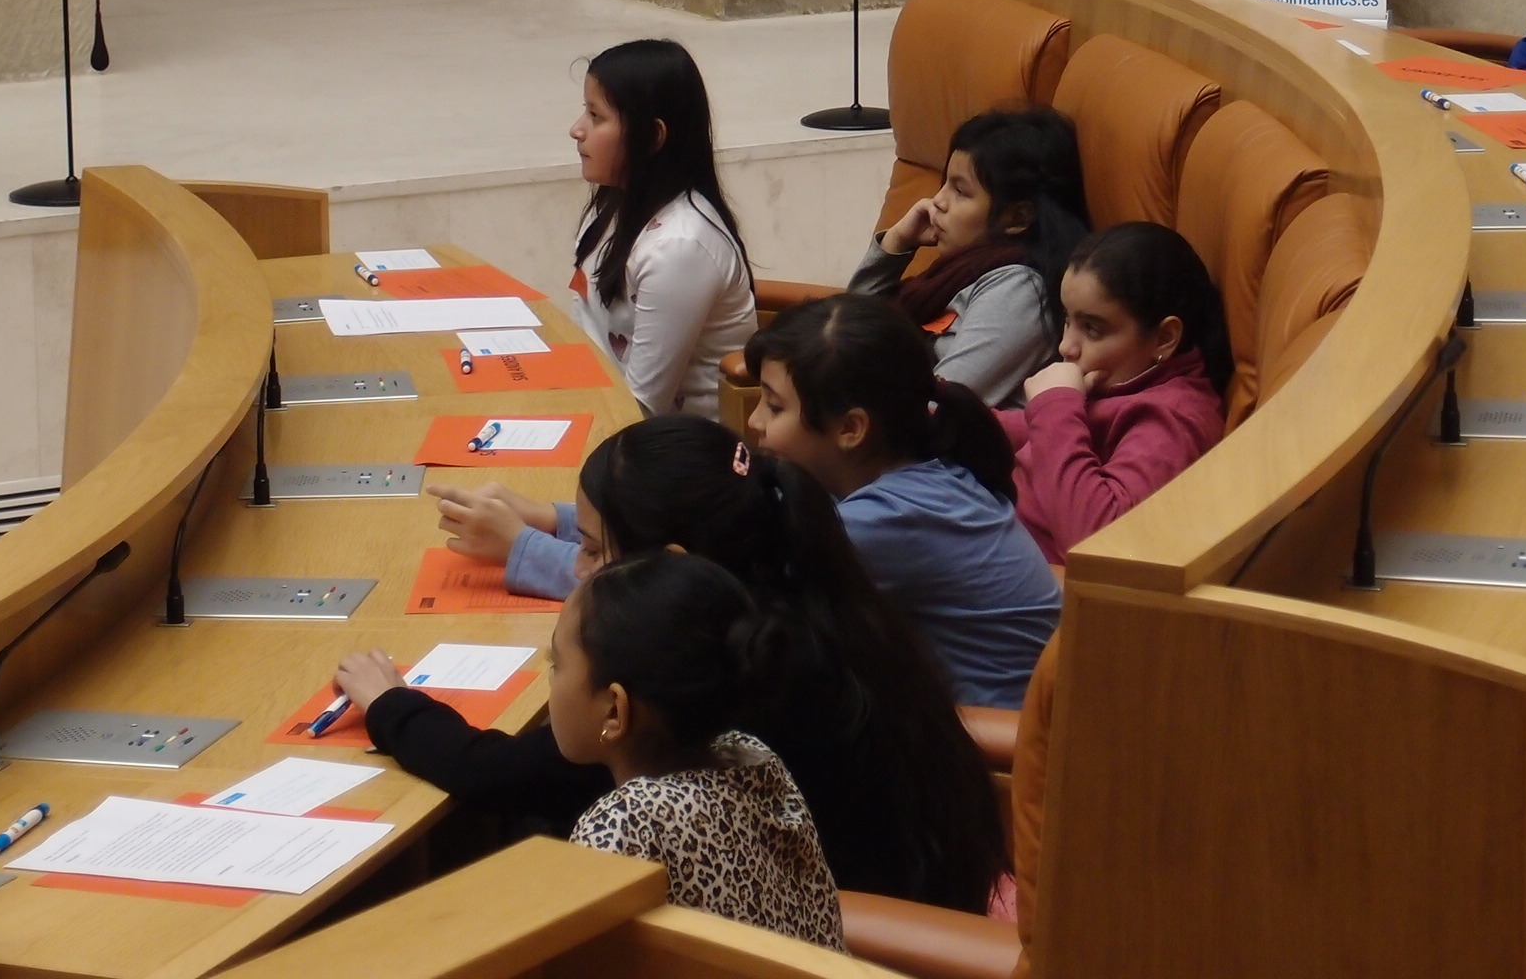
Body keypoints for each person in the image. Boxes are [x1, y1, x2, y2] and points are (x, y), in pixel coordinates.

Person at [343, 418, 1007, 910]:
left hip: (850, 939)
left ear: (674, 563)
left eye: (597, 551)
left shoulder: (710, 679)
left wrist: (390, 704)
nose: (579, 568)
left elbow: (500, 776)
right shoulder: (793, 596)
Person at [747, 294, 1063, 709]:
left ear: (851, 429)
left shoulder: (886, 521)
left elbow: (747, 588)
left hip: (994, 751)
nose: (754, 422)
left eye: (773, 407)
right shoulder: (922, 474)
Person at [550, 552, 846, 946]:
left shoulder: (621, 828)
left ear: (614, 711)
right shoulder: (755, 758)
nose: (549, 679)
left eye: (556, 663)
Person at [1000, 223, 1230, 564]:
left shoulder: (1174, 419)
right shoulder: (1126, 380)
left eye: (1092, 328)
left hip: (1030, 578)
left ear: (1165, 338)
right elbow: (1026, 432)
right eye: (1067, 320)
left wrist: (1056, 404)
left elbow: (1098, 537)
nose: (1066, 346)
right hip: (996, 530)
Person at [565, 39, 754, 418]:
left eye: (596, 116)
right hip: (600, 412)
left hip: (677, 455)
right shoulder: (612, 204)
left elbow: (641, 408)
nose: (576, 130)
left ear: (652, 136)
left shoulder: (680, 247)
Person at [849, 107, 1088, 407]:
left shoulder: (1020, 291)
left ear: (1017, 217)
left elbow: (939, 409)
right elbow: (848, 336)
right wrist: (896, 243)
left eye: (960, 191)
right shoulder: (958, 271)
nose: (938, 200)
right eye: (944, 182)